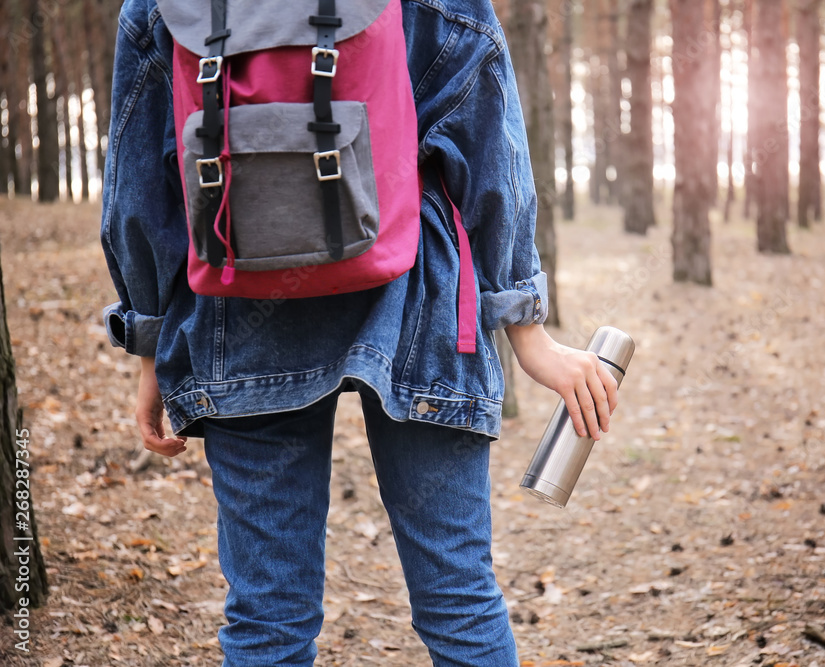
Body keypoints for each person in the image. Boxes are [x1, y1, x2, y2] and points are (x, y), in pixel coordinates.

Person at [101, 0, 618, 665]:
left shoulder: (160, 3)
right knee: (457, 594)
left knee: (266, 616)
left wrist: (150, 345)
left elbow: (141, 182)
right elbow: (488, 133)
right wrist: (527, 330)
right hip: (416, 298)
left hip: (237, 313)